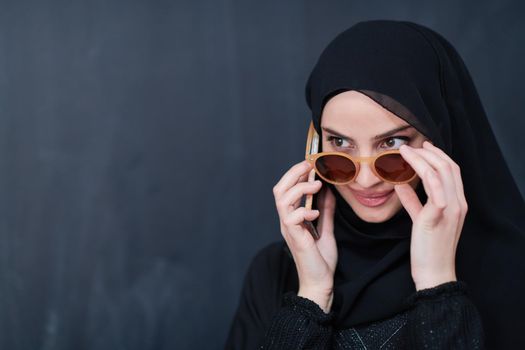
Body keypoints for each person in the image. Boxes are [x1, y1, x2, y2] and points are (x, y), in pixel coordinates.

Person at [225, 20, 525, 349]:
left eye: (393, 143)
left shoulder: (510, 272)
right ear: (315, 144)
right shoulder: (279, 272)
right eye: (339, 141)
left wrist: (437, 286)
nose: (365, 180)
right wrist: (311, 297)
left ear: (440, 136)